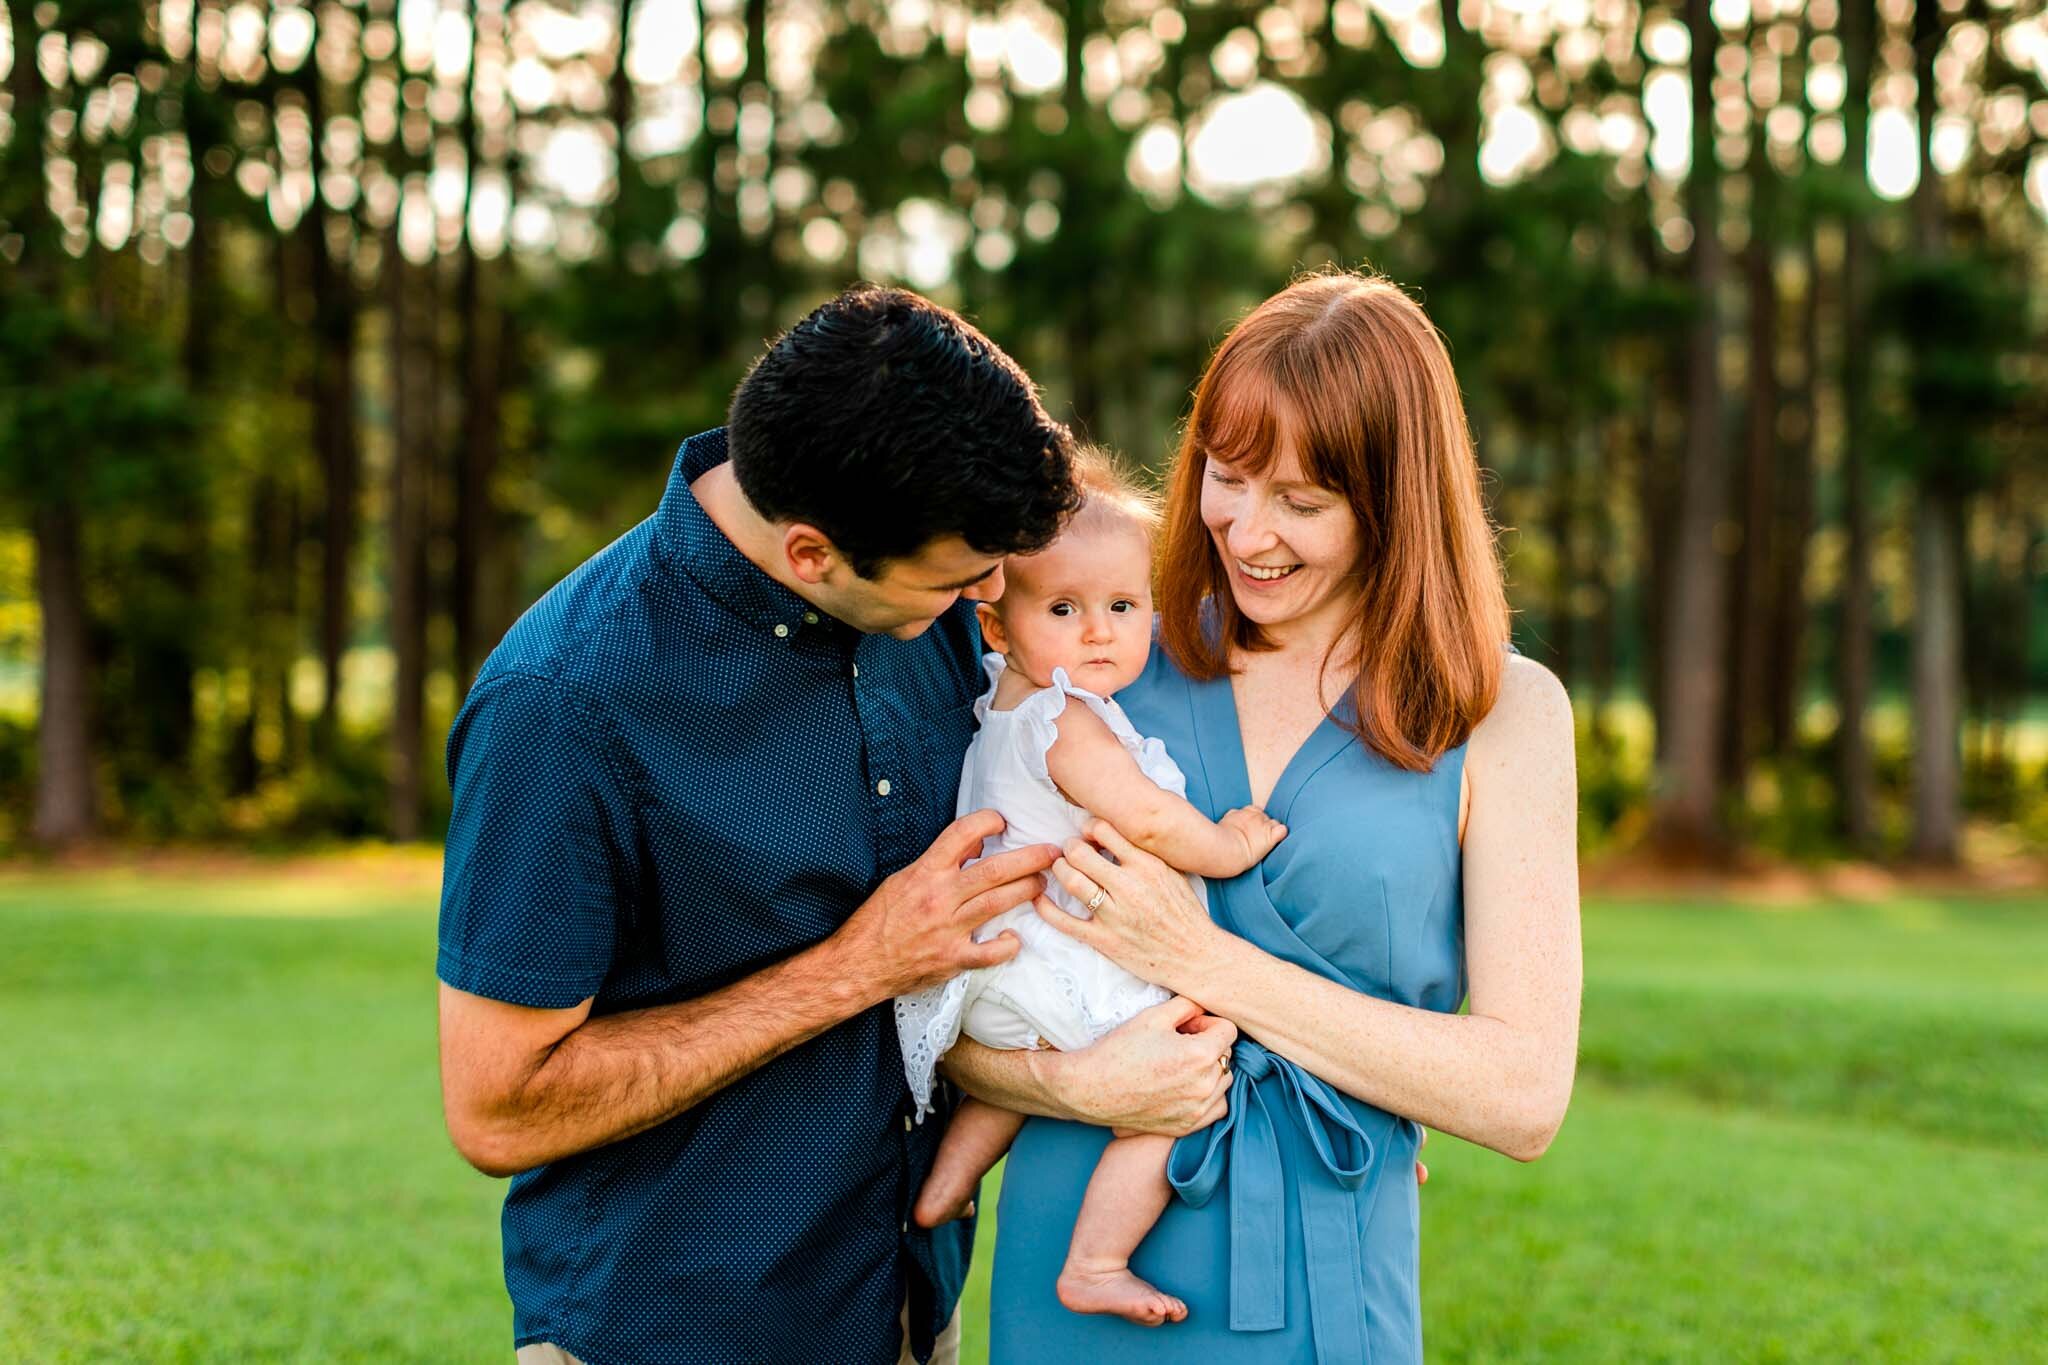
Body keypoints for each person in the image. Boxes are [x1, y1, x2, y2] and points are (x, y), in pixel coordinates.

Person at [434, 285, 1227, 1365]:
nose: (990, 597)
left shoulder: (922, 599)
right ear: (811, 555)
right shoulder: (564, 703)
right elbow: (498, 1108)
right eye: (960, 578)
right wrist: (854, 966)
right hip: (676, 1330)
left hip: (907, 1307)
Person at [949, 270, 1583, 1362]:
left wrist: (1204, 963)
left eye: (1301, 501)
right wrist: (1062, 1079)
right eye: (1226, 478)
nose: (1247, 533)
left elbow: (1522, 1095)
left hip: (1326, 1267)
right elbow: (940, 994)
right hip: (1078, 1252)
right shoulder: (1099, 657)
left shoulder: (1501, 710)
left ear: (1395, 498)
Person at [894, 450, 1288, 1329]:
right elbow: (1143, 817)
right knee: (1174, 1081)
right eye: (1065, 610)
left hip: (1001, 975)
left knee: (1008, 1081)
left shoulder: (1003, 699)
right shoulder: (1060, 716)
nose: (1100, 632)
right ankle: (1097, 1260)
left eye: (1122, 606)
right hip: (1054, 955)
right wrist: (1224, 846)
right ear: (998, 628)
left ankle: (945, 1187)